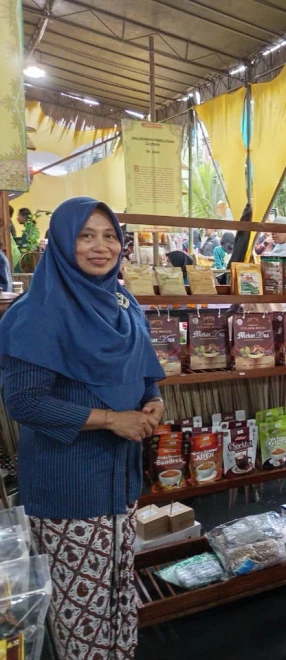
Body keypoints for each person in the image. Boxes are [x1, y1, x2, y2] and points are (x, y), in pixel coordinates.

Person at [0, 197, 165, 658]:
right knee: (80, 610)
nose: (100, 246)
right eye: (85, 236)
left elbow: (145, 370)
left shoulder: (123, 302)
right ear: (60, 242)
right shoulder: (35, 313)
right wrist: (113, 419)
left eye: (109, 236)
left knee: (118, 593)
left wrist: (154, 400)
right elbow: (25, 402)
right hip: (69, 484)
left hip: (121, 477)